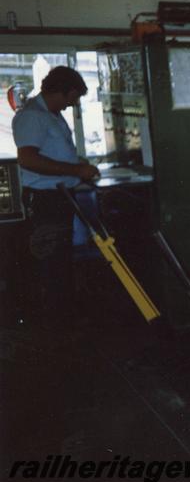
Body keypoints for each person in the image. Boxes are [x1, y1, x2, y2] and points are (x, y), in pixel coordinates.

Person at [12, 66, 99, 327]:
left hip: (60, 196)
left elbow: (53, 153)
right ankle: (57, 323)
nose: (75, 103)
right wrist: (75, 169)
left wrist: (77, 163)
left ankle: (64, 313)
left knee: (60, 257)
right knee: (51, 260)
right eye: (75, 97)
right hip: (45, 199)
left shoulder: (52, 114)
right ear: (66, 91)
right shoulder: (33, 116)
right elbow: (27, 159)